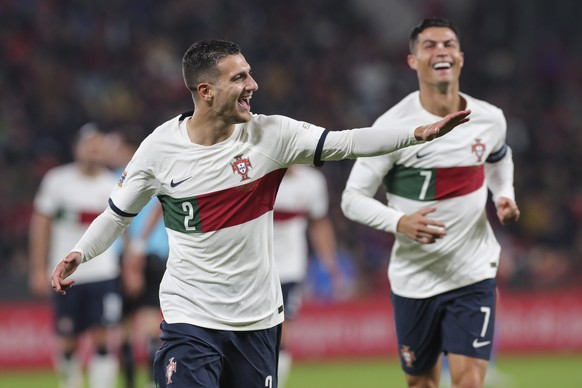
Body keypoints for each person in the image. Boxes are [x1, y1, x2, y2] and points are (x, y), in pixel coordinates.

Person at [50, 39, 470, 388]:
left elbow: (347, 141)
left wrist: (417, 133)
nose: (253, 84)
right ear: (205, 91)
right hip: (189, 316)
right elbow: (117, 215)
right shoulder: (159, 150)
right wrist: (81, 252)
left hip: (257, 319)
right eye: (239, 78)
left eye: (249, 73)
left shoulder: (271, 135)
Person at [341, 17, 520, 388]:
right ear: (412, 61)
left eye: (449, 44)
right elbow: (351, 199)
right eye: (430, 45)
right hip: (414, 279)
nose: (441, 50)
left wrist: (504, 195)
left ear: (460, 57)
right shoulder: (391, 127)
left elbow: (500, 158)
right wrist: (399, 222)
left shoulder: (489, 119)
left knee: (468, 382)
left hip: (472, 272)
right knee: (421, 383)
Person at [29, 123, 121, 388]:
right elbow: (41, 225)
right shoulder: (57, 181)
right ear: (77, 148)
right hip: (67, 274)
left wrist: (128, 264)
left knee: (102, 335)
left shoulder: (113, 183)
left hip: (104, 272)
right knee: (68, 338)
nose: (94, 151)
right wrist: (38, 268)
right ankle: (70, 383)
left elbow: (121, 229)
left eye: (98, 145)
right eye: (89, 145)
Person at [103, 126, 169, 388]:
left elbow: (119, 221)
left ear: (129, 150)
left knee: (128, 325)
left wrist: (133, 257)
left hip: (133, 257)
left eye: (115, 148)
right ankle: (155, 382)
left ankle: (133, 383)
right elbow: (161, 210)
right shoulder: (157, 174)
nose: (111, 153)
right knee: (151, 322)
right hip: (155, 254)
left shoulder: (117, 179)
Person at [272, 165, 340, 387]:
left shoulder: (312, 181)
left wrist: (329, 261)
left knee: (282, 332)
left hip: (291, 267)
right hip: (254, 266)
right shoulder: (261, 174)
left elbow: (319, 222)